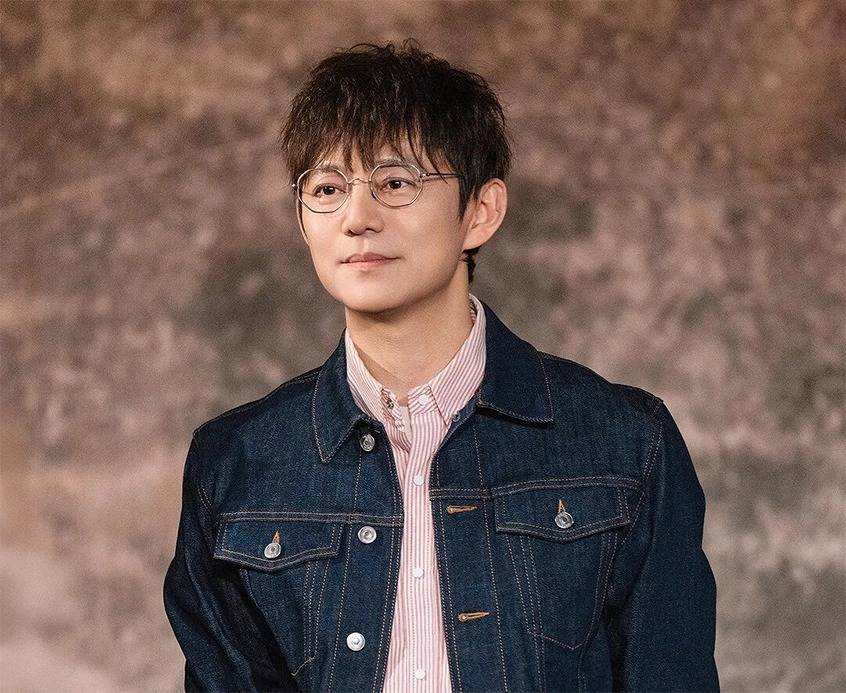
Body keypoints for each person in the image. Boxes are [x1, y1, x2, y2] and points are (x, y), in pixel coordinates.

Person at [163, 39, 719, 692]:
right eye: (328, 188)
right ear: (303, 219)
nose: (357, 218)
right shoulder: (235, 463)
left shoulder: (626, 441)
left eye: (395, 183)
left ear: (480, 212)